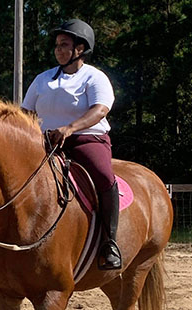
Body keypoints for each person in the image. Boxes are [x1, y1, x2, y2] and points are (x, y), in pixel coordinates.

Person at [21, 18, 122, 270]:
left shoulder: (94, 78)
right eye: (56, 44)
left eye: (64, 44)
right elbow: (25, 112)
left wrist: (70, 128)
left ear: (80, 49)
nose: (58, 49)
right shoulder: (42, 79)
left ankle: (110, 243)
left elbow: (100, 110)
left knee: (104, 176)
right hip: (45, 143)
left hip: (85, 140)